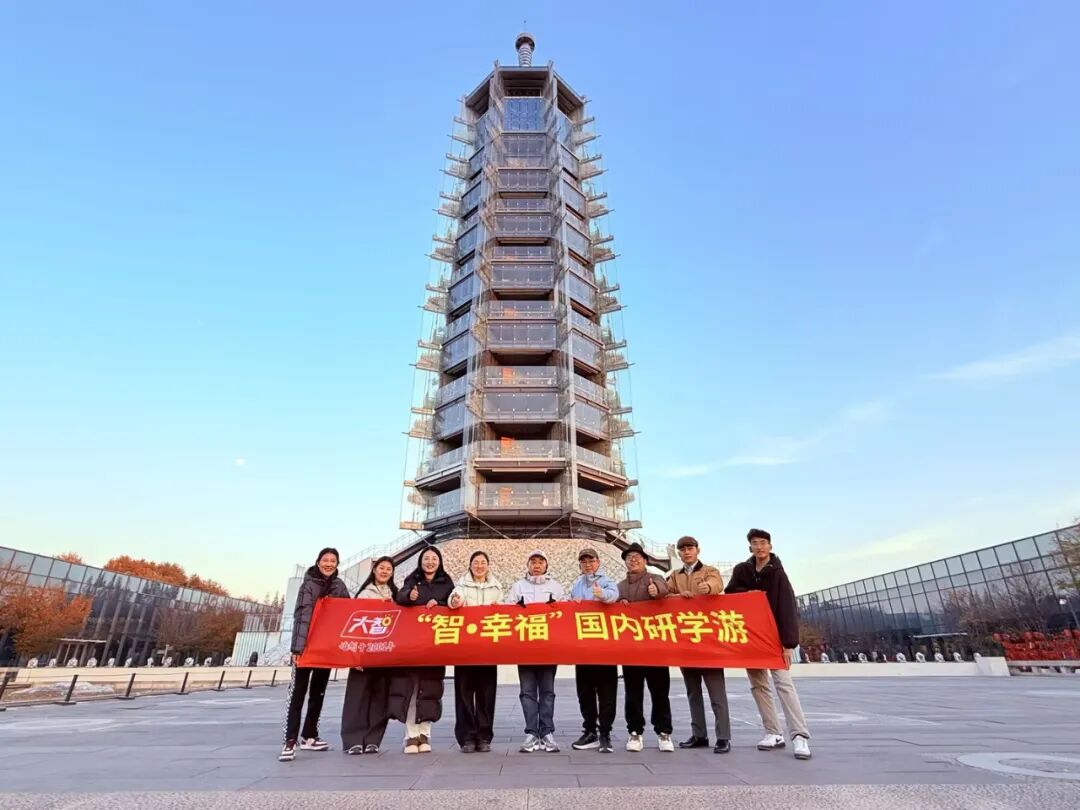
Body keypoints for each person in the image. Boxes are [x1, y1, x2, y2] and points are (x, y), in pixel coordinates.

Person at [725, 528, 812, 761]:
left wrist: (788, 643)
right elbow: (730, 593)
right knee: (758, 685)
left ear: (770, 546)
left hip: (774, 637)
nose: (759, 547)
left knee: (783, 684)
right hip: (752, 636)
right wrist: (750, 592)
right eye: (755, 543)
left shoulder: (778, 573)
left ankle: (799, 735)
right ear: (750, 547)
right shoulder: (742, 570)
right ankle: (773, 732)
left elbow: (787, 608)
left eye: (763, 543)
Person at [279, 547, 350, 762]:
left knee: (318, 693)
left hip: (325, 648)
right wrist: (297, 649)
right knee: (298, 693)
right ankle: (290, 740)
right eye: (325, 560)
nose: (329, 564)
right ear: (318, 562)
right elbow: (302, 616)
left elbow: (348, 612)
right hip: (307, 647)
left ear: (337, 564)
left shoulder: (339, 586)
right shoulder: (308, 585)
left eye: (333, 561)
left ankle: (309, 735)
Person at [665, 535, 731, 754]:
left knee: (716, 693)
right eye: (682, 549)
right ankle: (699, 733)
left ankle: (723, 736)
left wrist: (707, 588)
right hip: (687, 641)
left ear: (697, 550)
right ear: (679, 553)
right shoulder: (675, 576)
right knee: (693, 692)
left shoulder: (709, 571)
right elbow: (664, 594)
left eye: (690, 548)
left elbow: (716, 585)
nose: (686, 552)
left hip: (707, 640)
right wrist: (676, 596)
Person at [389, 546, 454, 754]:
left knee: (430, 690)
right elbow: (400, 597)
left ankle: (425, 734)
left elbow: (454, 603)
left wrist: (440, 602)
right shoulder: (412, 579)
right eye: (426, 558)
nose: (430, 562)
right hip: (414, 644)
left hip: (435, 644)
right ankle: (411, 735)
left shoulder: (446, 582)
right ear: (420, 561)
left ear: (439, 561)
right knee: (412, 689)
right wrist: (410, 596)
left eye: (434, 558)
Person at [504, 549, 565, 753]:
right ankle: (531, 732)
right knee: (527, 692)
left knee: (547, 692)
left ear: (546, 565)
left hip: (548, 648)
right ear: (527, 565)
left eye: (540, 561)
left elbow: (564, 613)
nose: (537, 565)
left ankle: (546, 732)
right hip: (525, 648)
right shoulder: (518, 587)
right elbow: (508, 612)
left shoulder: (556, 587)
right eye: (533, 562)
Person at [616, 542, 673, 752]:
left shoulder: (655, 578)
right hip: (631, 649)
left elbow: (663, 590)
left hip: (655, 647)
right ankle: (635, 732)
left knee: (660, 692)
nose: (633, 560)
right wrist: (618, 603)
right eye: (629, 557)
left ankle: (664, 732)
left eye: (637, 557)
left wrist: (655, 591)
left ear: (645, 561)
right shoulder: (620, 586)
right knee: (633, 693)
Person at [341, 555, 398, 755]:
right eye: (381, 568)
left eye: (388, 569)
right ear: (374, 570)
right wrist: (354, 655)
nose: (384, 572)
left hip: (384, 654)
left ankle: (373, 738)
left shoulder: (395, 594)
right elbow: (354, 626)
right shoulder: (364, 594)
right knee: (357, 698)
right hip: (364, 654)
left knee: (379, 698)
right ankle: (353, 740)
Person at [448, 550, 503, 753]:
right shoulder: (461, 585)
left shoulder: (496, 587)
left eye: (483, 562)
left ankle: (484, 736)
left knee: (486, 693)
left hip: (488, 647)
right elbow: (454, 600)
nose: (479, 566)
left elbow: (504, 610)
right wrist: (455, 602)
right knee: (464, 693)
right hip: (465, 647)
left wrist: (499, 608)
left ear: (488, 566)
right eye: (476, 562)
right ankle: (467, 737)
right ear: (470, 565)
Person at [568, 546, 619, 753]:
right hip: (584, 648)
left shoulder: (607, 581)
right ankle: (590, 730)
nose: (588, 565)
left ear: (598, 562)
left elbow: (613, 596)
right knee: (585, 692)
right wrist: (573, 603)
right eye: (584, 562)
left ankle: (605, 732)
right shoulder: (577, 585)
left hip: (604, 647)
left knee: (607, 692)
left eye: (591, 561)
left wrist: (601, 594)